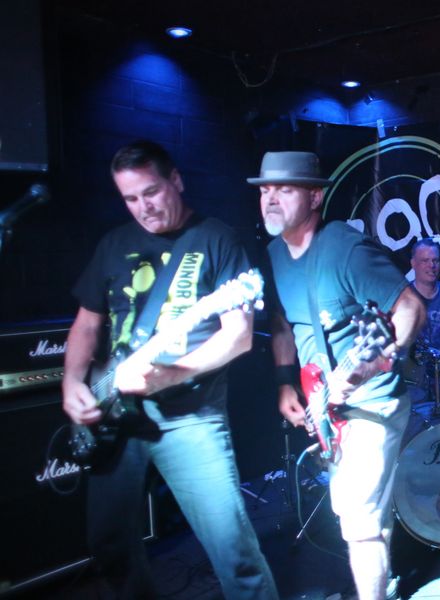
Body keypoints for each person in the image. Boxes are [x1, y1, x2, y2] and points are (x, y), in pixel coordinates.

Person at [61, 140, 278, 599]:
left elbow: (238, 336)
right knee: (110, 545)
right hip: (114, 414)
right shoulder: (114, 244)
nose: (143, 207)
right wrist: (71, 382)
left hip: (191, 417)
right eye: (130, 198)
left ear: (175, 180)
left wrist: (172, 374)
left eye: (151, 192)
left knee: (232, 548)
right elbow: (87, 324)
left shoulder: (217, 239)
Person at [249, 151, 425, 600]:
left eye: (284, 189)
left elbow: (410, 308)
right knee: (368, 513)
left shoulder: (346, 249)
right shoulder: (274, 254)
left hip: (372, 402)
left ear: (315, 196)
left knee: (356, 515)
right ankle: (381, 587)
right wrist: (285, 380)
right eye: (265, 190)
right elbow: (283, 324)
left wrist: (376, 360)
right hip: (325, 403)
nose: (271, 199)